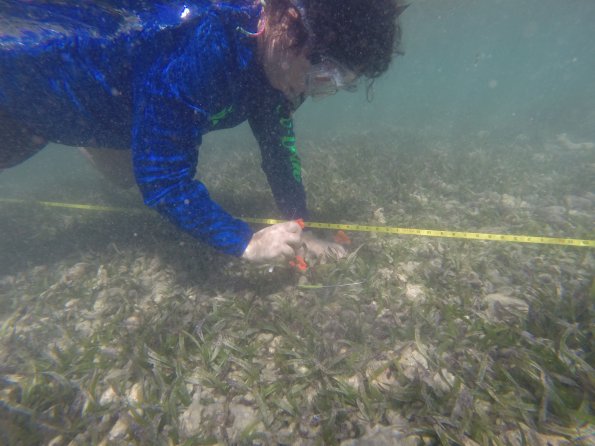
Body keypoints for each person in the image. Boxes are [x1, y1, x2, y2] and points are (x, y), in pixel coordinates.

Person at [0, 0, 406, 264]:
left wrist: (300, 225)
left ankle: (100, 143)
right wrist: (244, 242)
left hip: (93, 115)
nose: (312, 90)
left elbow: (279, 149)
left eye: (336, 84)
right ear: (288, 21)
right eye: (322, 74)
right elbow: (164, 181)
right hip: (20, 99)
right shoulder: (203, 44)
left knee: (125, 171)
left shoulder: (277, 68)